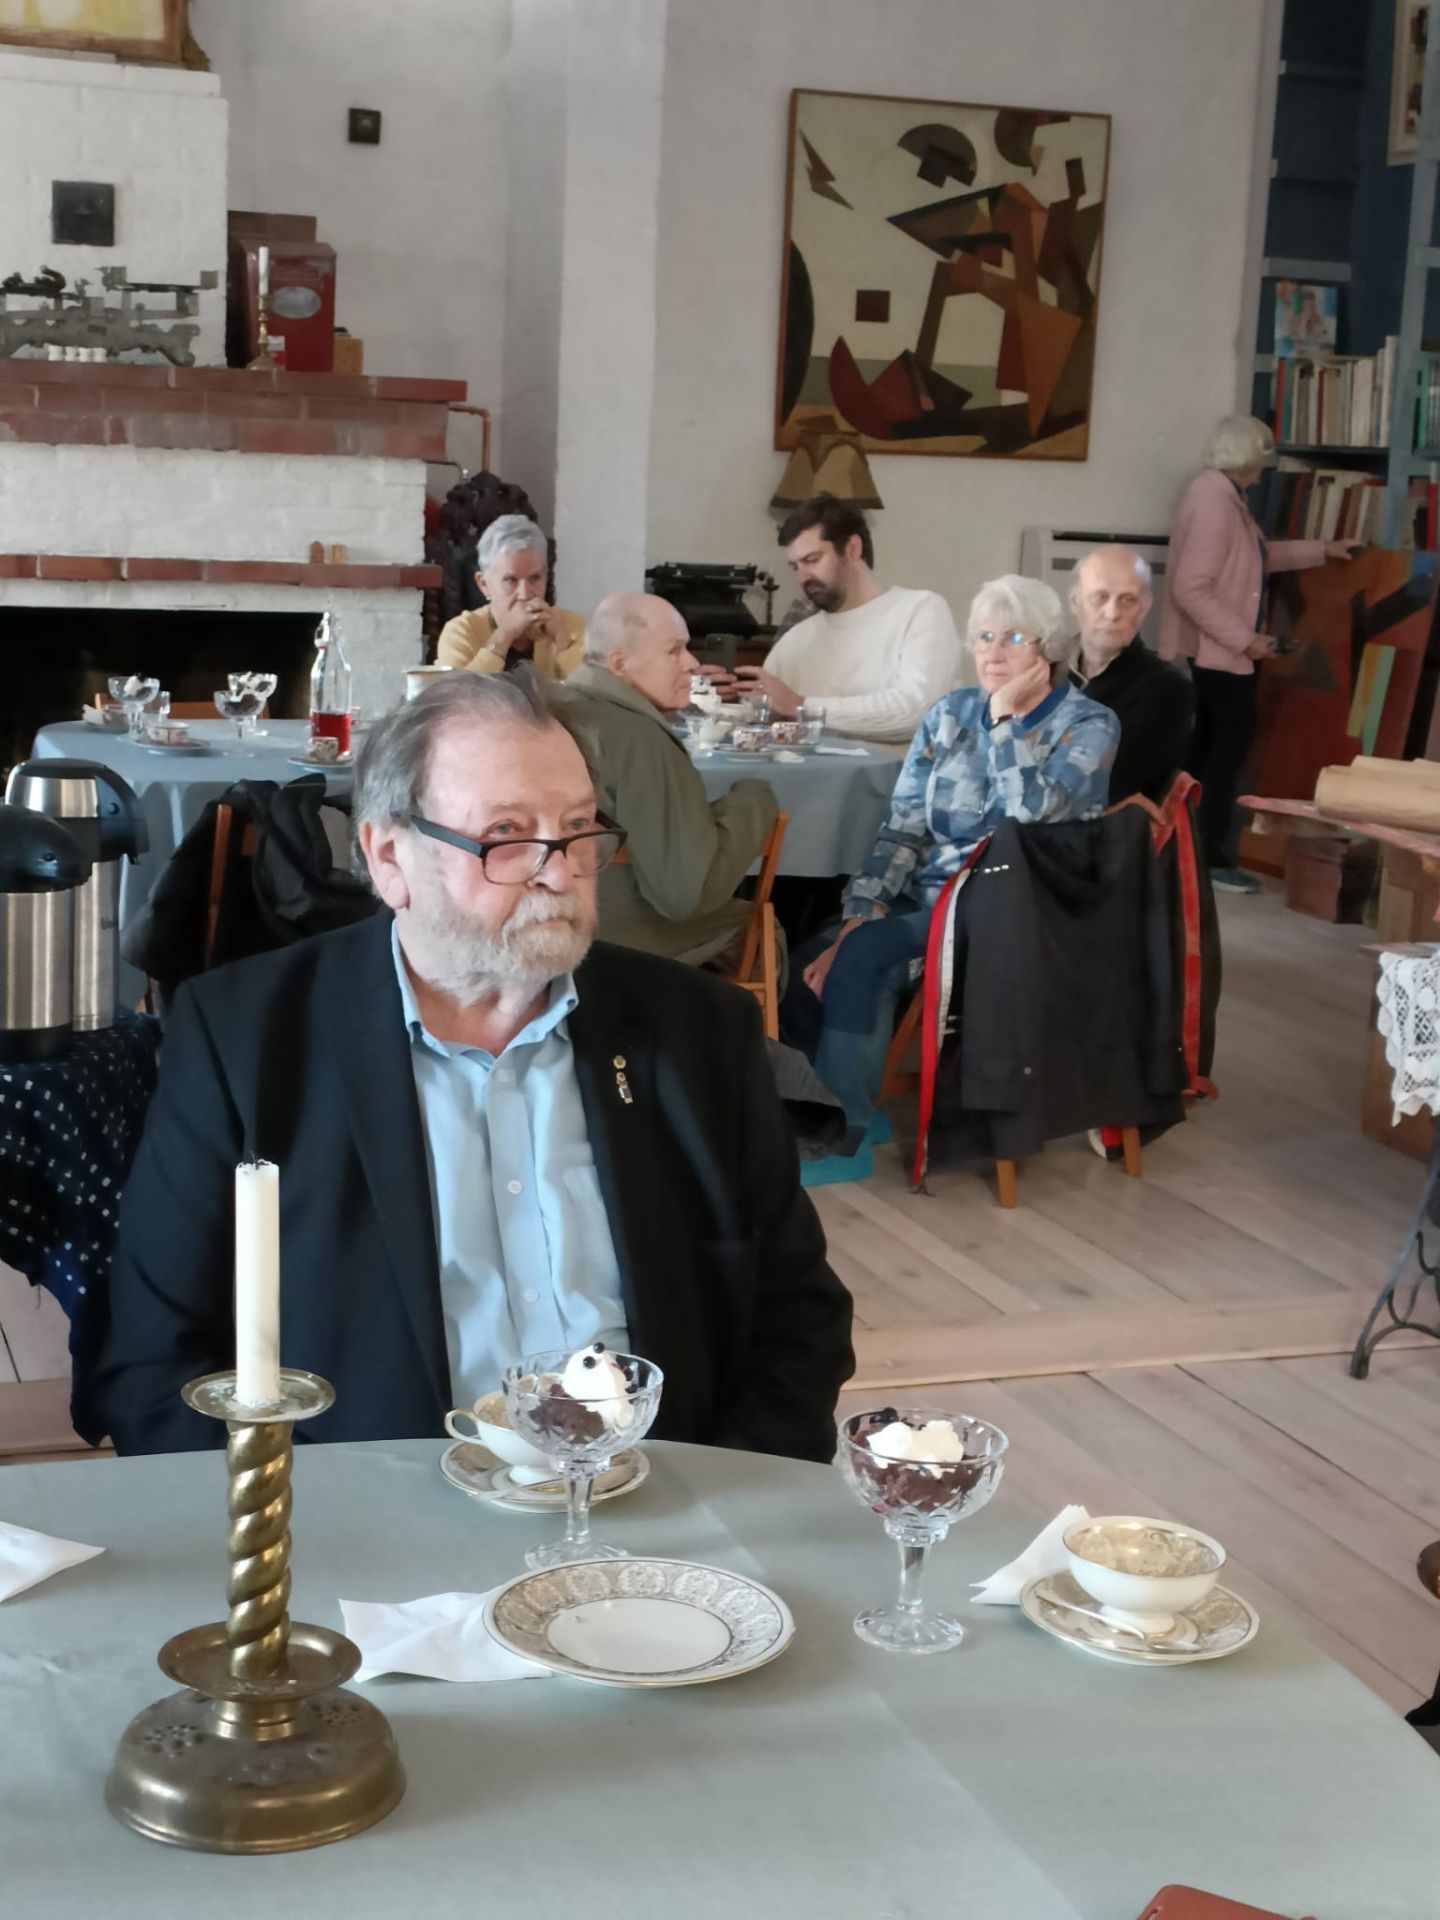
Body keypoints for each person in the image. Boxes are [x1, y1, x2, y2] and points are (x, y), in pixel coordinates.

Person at [83, 672, 853, 1461]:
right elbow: (154, 1359)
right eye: (507, 835)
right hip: (370, 1513)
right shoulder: (245, 1039)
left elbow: (798, 1320)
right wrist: (283, 1520)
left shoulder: (699, 1032)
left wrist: (718, 1503)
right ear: (388, 856)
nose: (560, 874)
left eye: (578, 830)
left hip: (660, 1497)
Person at [784, 575, 1118, 1185]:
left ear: (1047, 649)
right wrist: (863, 910)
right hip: (929, 899)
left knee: (863, 959)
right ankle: (832, 1110)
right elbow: (903, 828)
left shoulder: (1089, 725)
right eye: (983, 637)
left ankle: (842, 1137)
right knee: (809, 958)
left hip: (1011, 915)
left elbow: (1027, 814)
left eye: (1012, 638)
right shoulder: (948, 715)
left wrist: (1005, 723)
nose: (992, 652)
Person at [1160, 415, 1361, 893]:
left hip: (1217, 650)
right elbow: (1191, 588)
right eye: (1264, 456)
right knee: (1223, 750)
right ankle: (1207, 859)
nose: (1267, 466)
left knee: (1208, 747)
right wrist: (1247, 640)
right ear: (1250, 456)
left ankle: (1184, 851)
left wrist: (1324, 550)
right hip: (1220, 651)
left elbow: (1257, 556)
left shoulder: (1220, 495)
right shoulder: (1215, 503)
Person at [567, 592, 779, 966]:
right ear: (620, 663)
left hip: (550, 910)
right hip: (602, 934)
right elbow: (684, 895)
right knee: (762, 926)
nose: (692, 663)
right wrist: (754, 799)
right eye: (674, 651)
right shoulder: (637, 735)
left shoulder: (561, 704)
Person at [731, 494, 963, 744]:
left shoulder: (920, 610)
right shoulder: (796, 639)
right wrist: (716, 699)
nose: (803, 577)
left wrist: (801, 706)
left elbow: (920, 710)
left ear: (853, 549)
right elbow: (759, 719)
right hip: (802, 768)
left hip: (893, 769)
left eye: (812, 560)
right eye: (795, 567)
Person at [1069, 546, 1194, 805]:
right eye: (1100, 597)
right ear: (1075, 602)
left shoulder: (1167, 689)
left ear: (1144, 607)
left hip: (1101, 827)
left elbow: (1106, 787)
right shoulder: (1044, 671)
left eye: (1127, 600)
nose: (1112, 613)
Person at [435, 514, 586, 679]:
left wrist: (563, 641)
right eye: (511, 580)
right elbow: (457, 692)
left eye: (535, 578)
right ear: (484, 584)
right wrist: (504, 636)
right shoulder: (460, 632)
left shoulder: (573, 626)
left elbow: (592, 693)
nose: (525, 594)